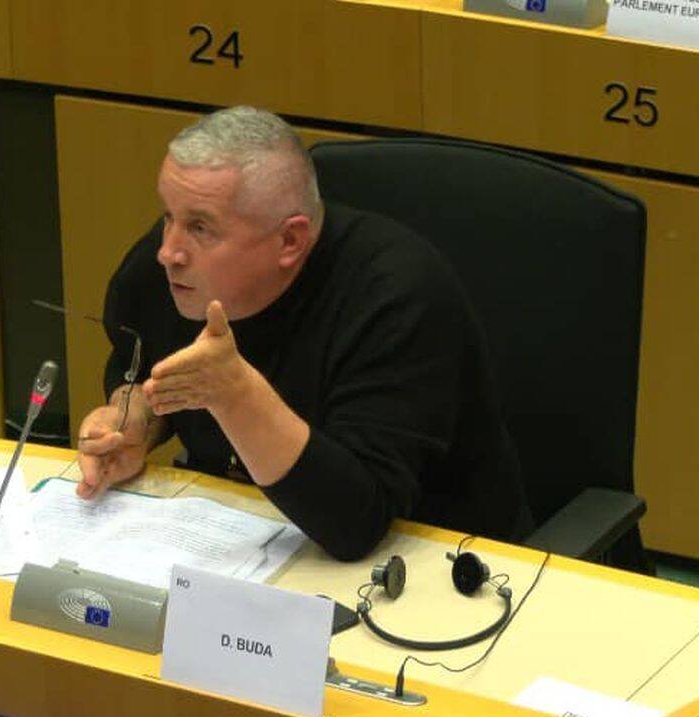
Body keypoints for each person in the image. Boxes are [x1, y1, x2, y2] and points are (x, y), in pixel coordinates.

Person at [75, 106, 533, 561]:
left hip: (436, 560)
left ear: (290, 241)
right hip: (245, 535)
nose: (168, 251)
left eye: (200, 227)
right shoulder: (167, 273)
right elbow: (139, 366)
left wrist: (236, 394)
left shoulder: (398, 298)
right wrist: (136, 419)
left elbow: (356, 523)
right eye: (167, 216)